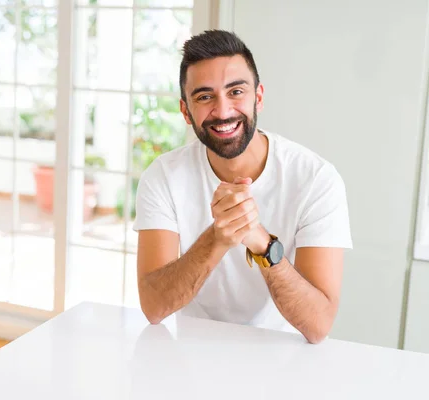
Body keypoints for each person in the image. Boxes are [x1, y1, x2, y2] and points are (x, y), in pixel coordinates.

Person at [133, 30, 352, 344]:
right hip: (192, 352)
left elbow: (318, 325)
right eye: (205, 96)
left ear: (258, 97)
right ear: (185, 111)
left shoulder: (317, 179)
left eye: (235, 91)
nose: (223, 111)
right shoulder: (163, 176)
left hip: (284, 357)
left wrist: (262, 243)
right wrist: (218, 238)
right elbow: (153, 308)